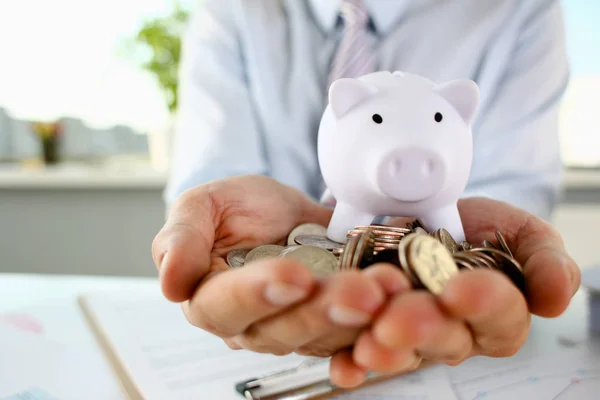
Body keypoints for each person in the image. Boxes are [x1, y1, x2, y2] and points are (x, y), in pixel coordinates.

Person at [153, 0, 579, 388]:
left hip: (461, 377)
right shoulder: (232, 9)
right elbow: (214, 166)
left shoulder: (520, 8)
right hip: (248, 368)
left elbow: (515, 183)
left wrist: (458, 259)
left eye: (438, 118)